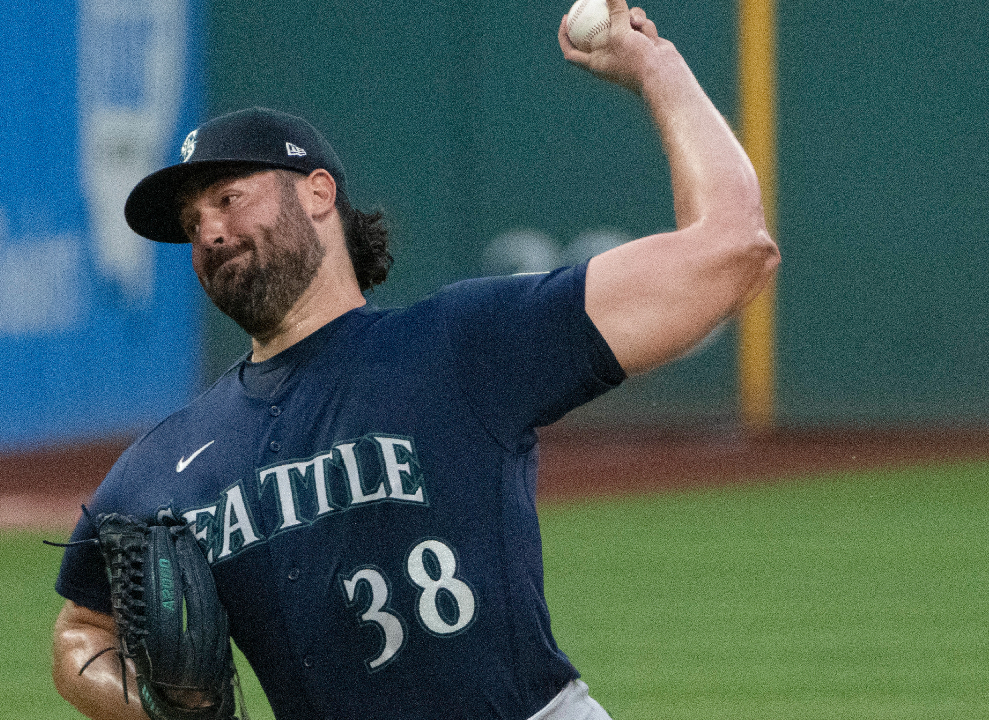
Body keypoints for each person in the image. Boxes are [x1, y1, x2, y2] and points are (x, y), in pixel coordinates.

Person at [51, 1, 780, 717]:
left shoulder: (463, 346)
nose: (209, 231)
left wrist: (657, 66)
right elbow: (80, 635)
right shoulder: (169, 462)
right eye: (192, 222)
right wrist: (150, 703)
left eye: (230, 198)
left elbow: (734, 248)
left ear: (317, 192)